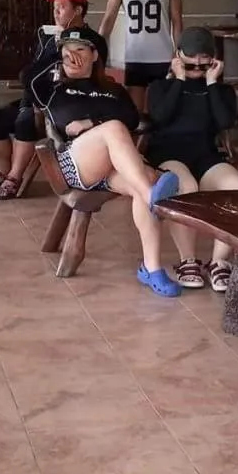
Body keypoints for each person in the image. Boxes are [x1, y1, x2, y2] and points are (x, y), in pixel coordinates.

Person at [45, 28, 182, 296]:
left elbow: (132, 119)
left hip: (114, 164)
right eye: (66, 53)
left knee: (143, 178)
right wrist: (102, 124)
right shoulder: (53, 89)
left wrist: (91, 122)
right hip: (75, 164)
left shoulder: (113, 89)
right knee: (115, 132)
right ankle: (151, 194)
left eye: (80, 50)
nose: (73, 57)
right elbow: (65, 119)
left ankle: (152, 269)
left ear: (95, 54)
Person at [143, 27, 238, 293]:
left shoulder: (221, 91)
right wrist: (179, 80)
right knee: (185, 187)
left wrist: (211, 83)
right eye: (190, 63)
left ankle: (219, 261)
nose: (197, 69)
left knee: (236, 186)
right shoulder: (160, 87)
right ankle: (187, 260)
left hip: (205, 155)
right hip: (168, 154)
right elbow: (160, 117)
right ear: (178, 57)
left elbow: (225, 121)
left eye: (204, 64)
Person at [0, 0, 108, 200]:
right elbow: (32, 73)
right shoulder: (49, 37)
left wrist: (64, 48)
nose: (56, 12)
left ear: (77, 10)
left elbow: (93, 77)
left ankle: (15, 176)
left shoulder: (90, 41)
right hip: (35, 97)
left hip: (64, 102)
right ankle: (3, 171)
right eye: (54, 7)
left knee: (25, 122)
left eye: (61, 7)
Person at [99, 0, 183, 112]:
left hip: (162, 55)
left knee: (161, 110)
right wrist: (96, 44)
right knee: (135, 112)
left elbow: (177, 20)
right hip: (136, 55)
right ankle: (137, 142)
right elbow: (109, 16)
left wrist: (180, 52)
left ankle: (154, 142)